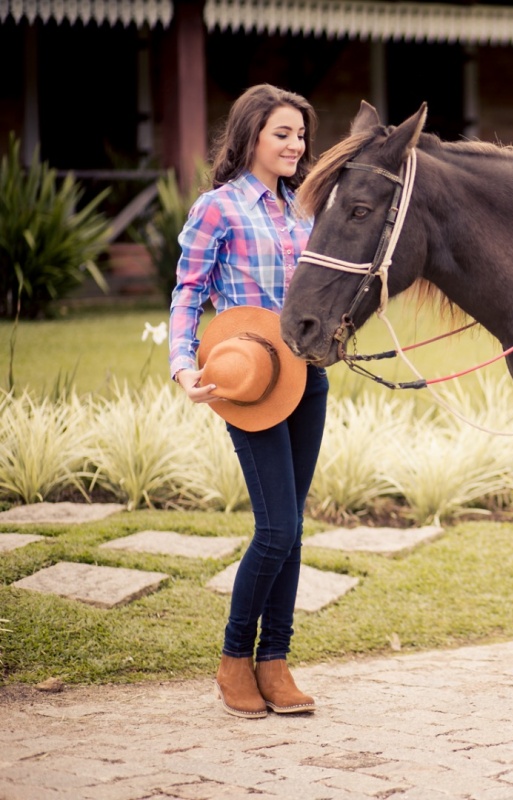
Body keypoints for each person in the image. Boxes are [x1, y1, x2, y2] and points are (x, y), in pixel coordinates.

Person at [168, 83, 326, 719]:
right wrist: (183, 366)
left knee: (294, 527)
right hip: (250, 379)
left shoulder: (306, 210)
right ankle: (236, 658)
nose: (296, 144)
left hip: (308, 378)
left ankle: (276, 661)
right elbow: (187, 291)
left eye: (300, 134)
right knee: (277, 527)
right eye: (283, 133)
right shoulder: (219, 208)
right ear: (252, 136)